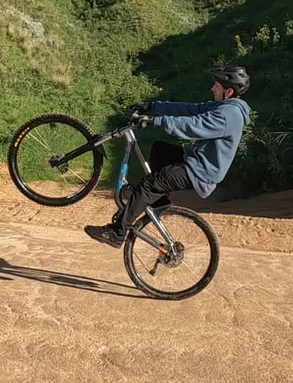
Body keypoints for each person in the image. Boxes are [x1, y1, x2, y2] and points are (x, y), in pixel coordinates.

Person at [84, 65, 252, 248]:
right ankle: (158, 200)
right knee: (160, 150)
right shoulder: (225, 107)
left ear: (228, 91)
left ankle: (117, 232)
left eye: (216, 86)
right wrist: (153, 106)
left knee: (148, 185)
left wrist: (156, 120)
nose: (213, 88)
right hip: (196, 161)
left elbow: (193, 125)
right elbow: (189, 110)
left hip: (200, 172)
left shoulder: (228, 115)